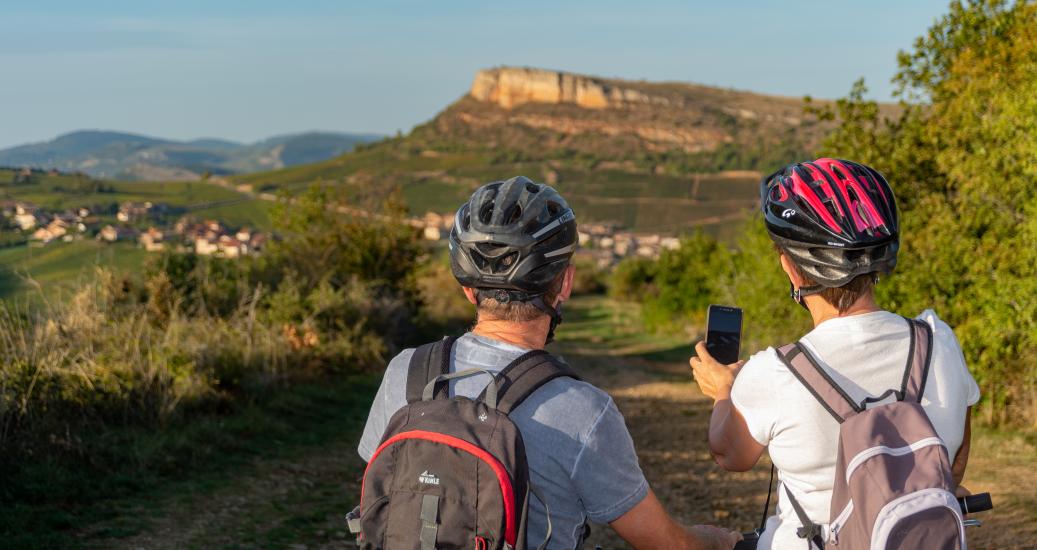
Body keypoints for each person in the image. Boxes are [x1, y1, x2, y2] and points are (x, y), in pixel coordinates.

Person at [358, 176, 740, 550]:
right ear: (566, 282)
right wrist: (721, 541)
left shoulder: (405, 371)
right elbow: (666, 543)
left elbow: (379, 493)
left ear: (467, 287)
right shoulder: (584, 410)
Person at [690, 159, 980, 549]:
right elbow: (953, 462)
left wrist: (724, 392)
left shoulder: (774, 373)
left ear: (791, 268)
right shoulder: (939, 342)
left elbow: (728, 454)